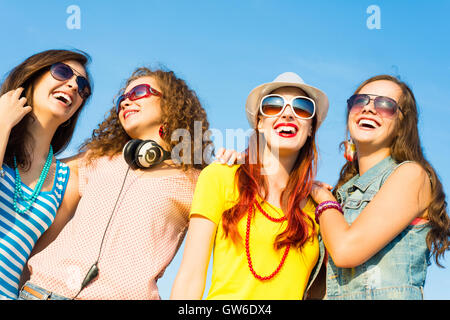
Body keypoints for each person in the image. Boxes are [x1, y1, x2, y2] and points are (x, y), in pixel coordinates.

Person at [18, 67, 215, 300]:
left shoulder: (198, 182)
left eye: (139, 92)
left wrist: (238, 165)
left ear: (171, 103)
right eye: (123, 97)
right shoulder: (95, 159)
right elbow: (35, 168)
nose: (125, 101)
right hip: (39, 293)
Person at [171, 72, 329, 300]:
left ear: (311, 128)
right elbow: (190, 276)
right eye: (273, 106)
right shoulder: (220, 177)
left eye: (302, 108)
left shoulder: (319, 208)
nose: (287, 114)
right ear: (259, 123)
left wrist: (327, 201)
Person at [311, 75, 449, 300]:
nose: (369, 109)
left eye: (385, 105)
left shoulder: (412, 175)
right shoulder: (342, 195)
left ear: (402, 124)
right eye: (360, 101)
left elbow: (346, 251)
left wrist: (322, 197)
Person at [0, 49, 92, 299]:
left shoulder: (66, 180)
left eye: (83, 86)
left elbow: (32, 266)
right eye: (62, 72)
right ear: (31, 78)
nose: (73, 85)